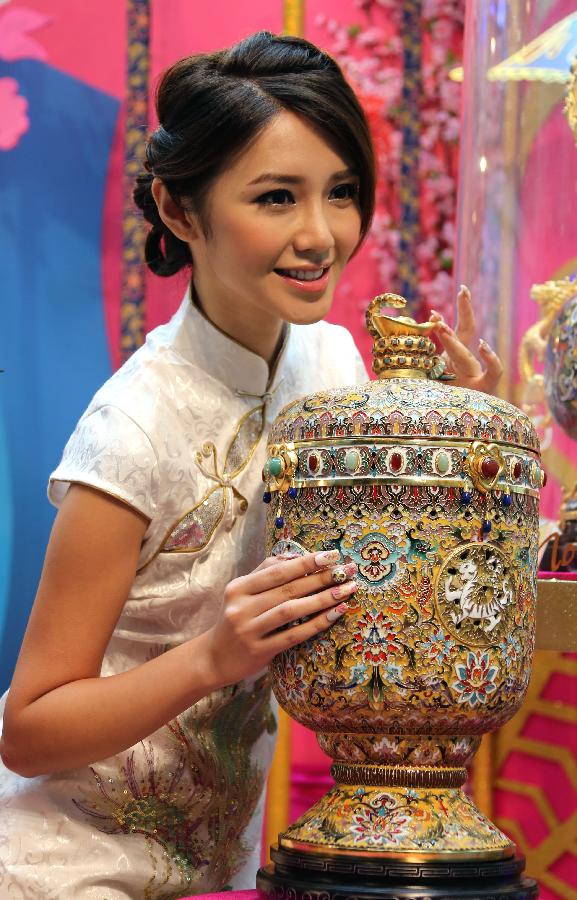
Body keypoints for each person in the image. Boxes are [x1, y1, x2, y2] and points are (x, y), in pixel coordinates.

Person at [0, 31, 502, 899]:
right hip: (66, 869)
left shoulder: (332, 364)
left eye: (340, 192)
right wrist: (210, 659)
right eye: (275, 197)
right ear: (179, 209)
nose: (320, 235)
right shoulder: (135, 426)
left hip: (215, 871)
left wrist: (464, 430)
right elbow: (29, 728)